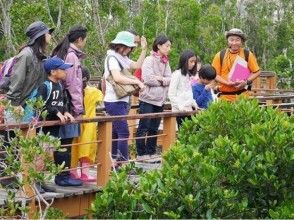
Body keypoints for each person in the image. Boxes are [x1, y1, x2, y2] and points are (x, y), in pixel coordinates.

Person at [51, 25, 87, 185]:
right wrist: (78, 108)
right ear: (79, 39)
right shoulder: (71, 56)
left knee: (63, 141)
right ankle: (63, 177)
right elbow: (73, 84)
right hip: (69, 106)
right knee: (66, 140)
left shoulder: (64, 52)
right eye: (85, 39)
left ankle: (64, 175)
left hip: (63, 103)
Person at [103, 31, 146, 163]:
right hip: (114, 101)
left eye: (130, 48)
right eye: (127, 47)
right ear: (119, 45)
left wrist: (144, 49)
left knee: (116, 133)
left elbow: (137, 65)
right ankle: (122, 163)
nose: (129, 50)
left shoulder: (121, 58)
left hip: (120, 101)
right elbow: (117, 77)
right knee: (123, 132)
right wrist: (136, 81)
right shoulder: (112, 58)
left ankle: (114, 163)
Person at [6, 21, 53, 118]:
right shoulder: (26, 55)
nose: (50, 36)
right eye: (48, 33)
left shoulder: (41, 56)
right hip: (21, 107)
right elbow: (17, 81)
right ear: (41, 36)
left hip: (34, 106)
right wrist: (15, 105)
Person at [136, 35, 172, 160]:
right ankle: (141, 153)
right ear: (159, 46)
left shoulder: (165, 61)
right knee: (143, 127)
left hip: (160, 100)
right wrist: (163, 81)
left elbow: (170, 78)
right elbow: (148, 79)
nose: (169, 48)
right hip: (148, 99)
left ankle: (151, 152)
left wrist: (160, 79)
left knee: (154, 128)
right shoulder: (149, 60)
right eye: (167, 46)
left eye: (169, 46)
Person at [71, 67, 103, 182]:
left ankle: (73, 172)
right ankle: (85, 174)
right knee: (87, 148)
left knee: (74, 148)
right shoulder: (94, 92)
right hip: (89, 124)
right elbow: (101, 101)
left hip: (76, 123)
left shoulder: (73, 91)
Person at [212, 28, 260, 102]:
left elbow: (257, 71)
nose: (234, 43)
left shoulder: (247, 54)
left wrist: (246, 82)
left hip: (243, 97)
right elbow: (214, 75)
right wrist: (227, 83)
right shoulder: (220, 55)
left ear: (241, 41)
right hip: (224, 97)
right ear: (228, 41)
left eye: (237, 40)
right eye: (231, 40)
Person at [168, 49, 198, 129]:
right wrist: (180, 107)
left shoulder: (189, 76)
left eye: (194, 62)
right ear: (185, 61)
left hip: (189, 110)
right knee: (183, 133)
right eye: (191, 61)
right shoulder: (177, 74)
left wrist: (194, 104)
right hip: (179, 111)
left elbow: (189, 92)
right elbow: (171, 94)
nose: (193, 64)